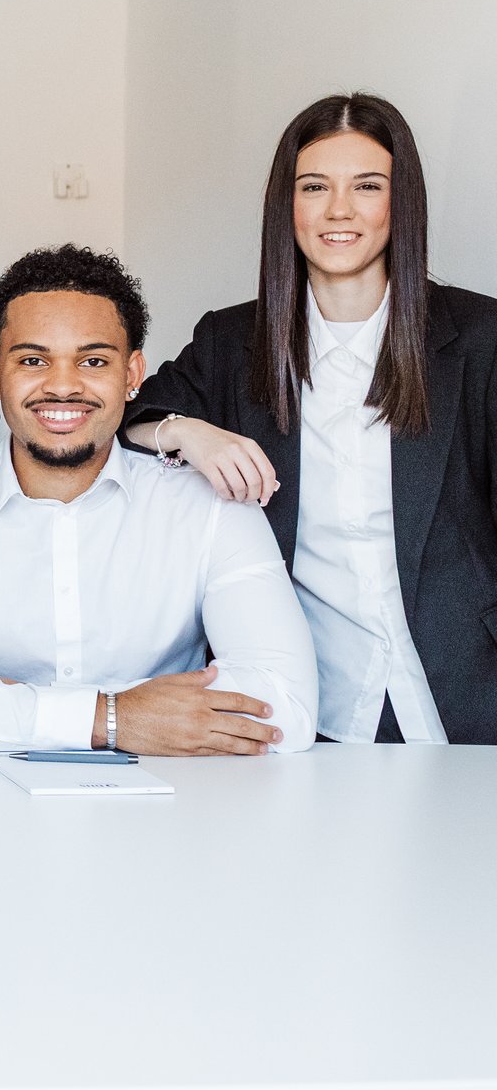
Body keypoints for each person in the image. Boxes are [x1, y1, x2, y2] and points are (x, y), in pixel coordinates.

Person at [123, 93, 497, 744]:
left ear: (401, 203)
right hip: (303, 707)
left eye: (367, 186)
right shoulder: (232, 342)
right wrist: (185, 432)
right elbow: (123, 428)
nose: (338, 210)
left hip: (465, 689)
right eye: (315, 186)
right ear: (286, 205)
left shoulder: (480, 336)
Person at [0, 246, 317, 753]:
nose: (63, 386)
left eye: (93, 361)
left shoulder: (212, 509)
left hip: (175, 799)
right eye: (33, 360)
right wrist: (114, 718)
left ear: (132, 375)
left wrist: (1, 706)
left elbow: (285, 708)